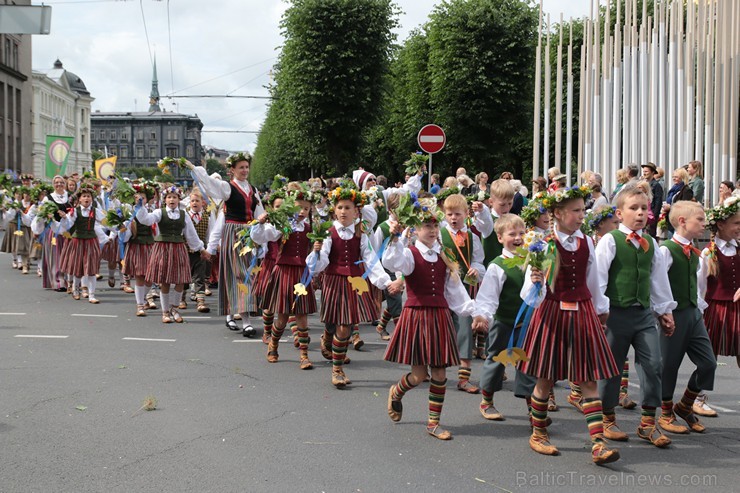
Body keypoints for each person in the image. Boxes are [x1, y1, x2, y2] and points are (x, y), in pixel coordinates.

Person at [518, 186, 620, 465]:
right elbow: (529, 293)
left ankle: (598, 444)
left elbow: (594, 279)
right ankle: (538, 433)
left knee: (588, 378)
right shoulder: (543, 244)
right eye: (576, 211)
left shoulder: (587, 241)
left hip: (583, 311)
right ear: (558, 214)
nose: (581, 215)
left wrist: (601, 310)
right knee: (546, 377)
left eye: (582, 210)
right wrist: (536, 282)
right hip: (552, 313)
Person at [382, 197, 474, 440]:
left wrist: (474, 311)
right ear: (415, 230)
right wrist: (395, 237)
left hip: (440, 316)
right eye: (426, 226)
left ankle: (433, 423)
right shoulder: (410, 254)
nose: (432, 230)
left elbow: (454, 291)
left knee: (441, 372)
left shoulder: (444, 256)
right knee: (419, 375)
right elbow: (391, 261)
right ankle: (397, 391)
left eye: (435, 226)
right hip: (417, 316)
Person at [595, 184, 677, 448]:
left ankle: (647, 424)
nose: (640, 213)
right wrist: (600, 311)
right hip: (615, 314)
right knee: (611, 369)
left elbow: (658, 279)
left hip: (643, 315)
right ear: (619, 213)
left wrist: (665, 310)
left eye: (644, 208)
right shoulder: (610, 240)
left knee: (654, 364)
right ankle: (607, 418)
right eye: (633, 208)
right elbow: (598, 278)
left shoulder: (651, 243)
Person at [310, 186, 398, 388]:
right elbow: (322, 260)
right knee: (333, 321)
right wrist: (315, 255)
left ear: (356, 211)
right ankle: (327, 336)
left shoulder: (361, 233)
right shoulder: (328, 232)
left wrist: (386, 282)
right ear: (334, 210)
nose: (343, 211)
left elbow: (371, 260)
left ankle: (337, 369)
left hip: (354, 283)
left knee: (346, 325)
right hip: (333, 281)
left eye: (347, 207)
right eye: (339, 207)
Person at [657, 201, 717, 435]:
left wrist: (699, 308)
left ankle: (684, 404)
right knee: (669, 364)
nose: (704, 224)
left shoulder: (696, 253)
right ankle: (665, 412)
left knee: (708, 363)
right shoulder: (666, 251)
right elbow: (659, 284)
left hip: (693, 312)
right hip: (674, 313)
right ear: (682, 221)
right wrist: (663, 312)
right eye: (700, 220)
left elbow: (699, 285)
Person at [188, 153, 265, 336]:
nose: (245, 170)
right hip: (234, 235)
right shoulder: (227, 188)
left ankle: (232, 314)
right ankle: (245, 321)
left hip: (249, 234)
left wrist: (263, 230)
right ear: (232, 170)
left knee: (248, 275)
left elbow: (259, 212)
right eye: (241, 167)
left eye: (247, 167)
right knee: (239, 275)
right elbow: (208, 183)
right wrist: (211, 248)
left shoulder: (253, 190)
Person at [472, 214, 538, 421]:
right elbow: (488, 296)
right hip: (503, 322)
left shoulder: (532, 260)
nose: (518, 238)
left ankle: (533, 408)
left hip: (527, 323)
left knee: (528, 362)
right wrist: (483, 316)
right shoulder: (497, 265)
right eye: (512, 234)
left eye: (521, 233)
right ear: (500, 238)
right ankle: (487, 401)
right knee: (497, 359)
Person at [252, 183, 320, 370]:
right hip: (283, 272)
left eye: (306, 208)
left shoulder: (308, 228)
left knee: (302, 316)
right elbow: (262, 237)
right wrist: (261, 223)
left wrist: (316, 253)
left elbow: (313, 256)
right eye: (299, 207)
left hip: (301, 274)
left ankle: (304, 355)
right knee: (282, 317)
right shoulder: (281, 226)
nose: (302, 211)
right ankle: (274, 344)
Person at [134, 185, 210, 323]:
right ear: (165, 200)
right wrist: (140, 207)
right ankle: (165, 312)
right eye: (169, 197)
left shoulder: (184, 214)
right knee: (165, 281)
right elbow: (146, 220)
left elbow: (191, 234)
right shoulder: (159, 212)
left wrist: (201, 249)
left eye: (174, 197)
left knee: (181, 280)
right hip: (163, 248)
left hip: (179, 249)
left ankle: (174, 308)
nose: (171, 200)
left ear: (179, 199)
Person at [440, 193, 490, 394]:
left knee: (465, 330)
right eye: (450, 214)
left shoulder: (472, 237)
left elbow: (479, 259)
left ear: (466, 214)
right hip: (442, 289)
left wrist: (477, 270)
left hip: (465, 289)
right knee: (440, 329)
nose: (454, 218)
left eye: (458, 214)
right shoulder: (439, 234)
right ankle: (433, 370)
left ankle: (464, 377)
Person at [698, 196, 740, 416]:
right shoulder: (709, 253)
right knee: (709, 355)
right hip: (716, 309)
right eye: (736, 223)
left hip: (738, 308)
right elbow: (700, 286)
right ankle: (698, 397)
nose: (739, 228)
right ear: (721, 224)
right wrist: (700, 309)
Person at [57, 186, 110, 304]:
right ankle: (76, 290)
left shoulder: (96, 211)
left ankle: (92, 295)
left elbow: (106, 222)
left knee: (91, 269)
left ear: (92, 199)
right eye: (84, 196)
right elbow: (68, 224)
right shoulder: (75, 211)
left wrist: (118, 227)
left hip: (91, 241)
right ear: (79, 199)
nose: (86, 198)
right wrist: (65, 218)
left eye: (89, 196)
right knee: (78, 268)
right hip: (78, 241)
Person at [371, 193, 406, 341]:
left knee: (393, 299)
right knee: (396, 300)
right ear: (391, 210)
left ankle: (381, 326)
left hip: (403, 267)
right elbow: (375, 249)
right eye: (399, 210)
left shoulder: (407, 225)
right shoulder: (383, 227)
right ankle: (401, 335)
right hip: (387, 268)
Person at [121, 182, 157, 316]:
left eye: (143, 197)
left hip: (150, 246)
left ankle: (142, 298)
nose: (140, 199)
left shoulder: (153, 212)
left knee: (150, 278)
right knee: (139, 277)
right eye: (137, 197)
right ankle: (140, 305)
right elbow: (126, 236)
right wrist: (123, 230)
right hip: (136, 246)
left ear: (147, 199)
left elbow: (156, 232)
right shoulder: (129, 214)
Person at [184, 188, 213, 313]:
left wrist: (208, 249)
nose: (194, 203)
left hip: (200, 252)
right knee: (184, 276)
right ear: (189, 203)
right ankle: (181, 298)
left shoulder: (207, 218)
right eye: (192, 201)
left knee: (199, 276)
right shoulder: (184, 216)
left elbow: (209, 234)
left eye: (197, 201)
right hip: (185, 250)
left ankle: (200, 301)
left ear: (203, 203)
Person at [481, 179, 515, 267]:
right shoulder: (489, 221)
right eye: (502, 205)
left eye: (510, 203)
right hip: (492, 270)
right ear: (491, 202)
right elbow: (483, 218)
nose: (507, 208)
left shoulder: (513, 219)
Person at [641, 163, 664, 237]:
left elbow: (658, 202)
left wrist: (653, 216)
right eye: (644, 171)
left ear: (653, 172)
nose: (644, 173)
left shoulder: (656, 185)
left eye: (646, 171)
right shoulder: (643, 184)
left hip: (651, 217)